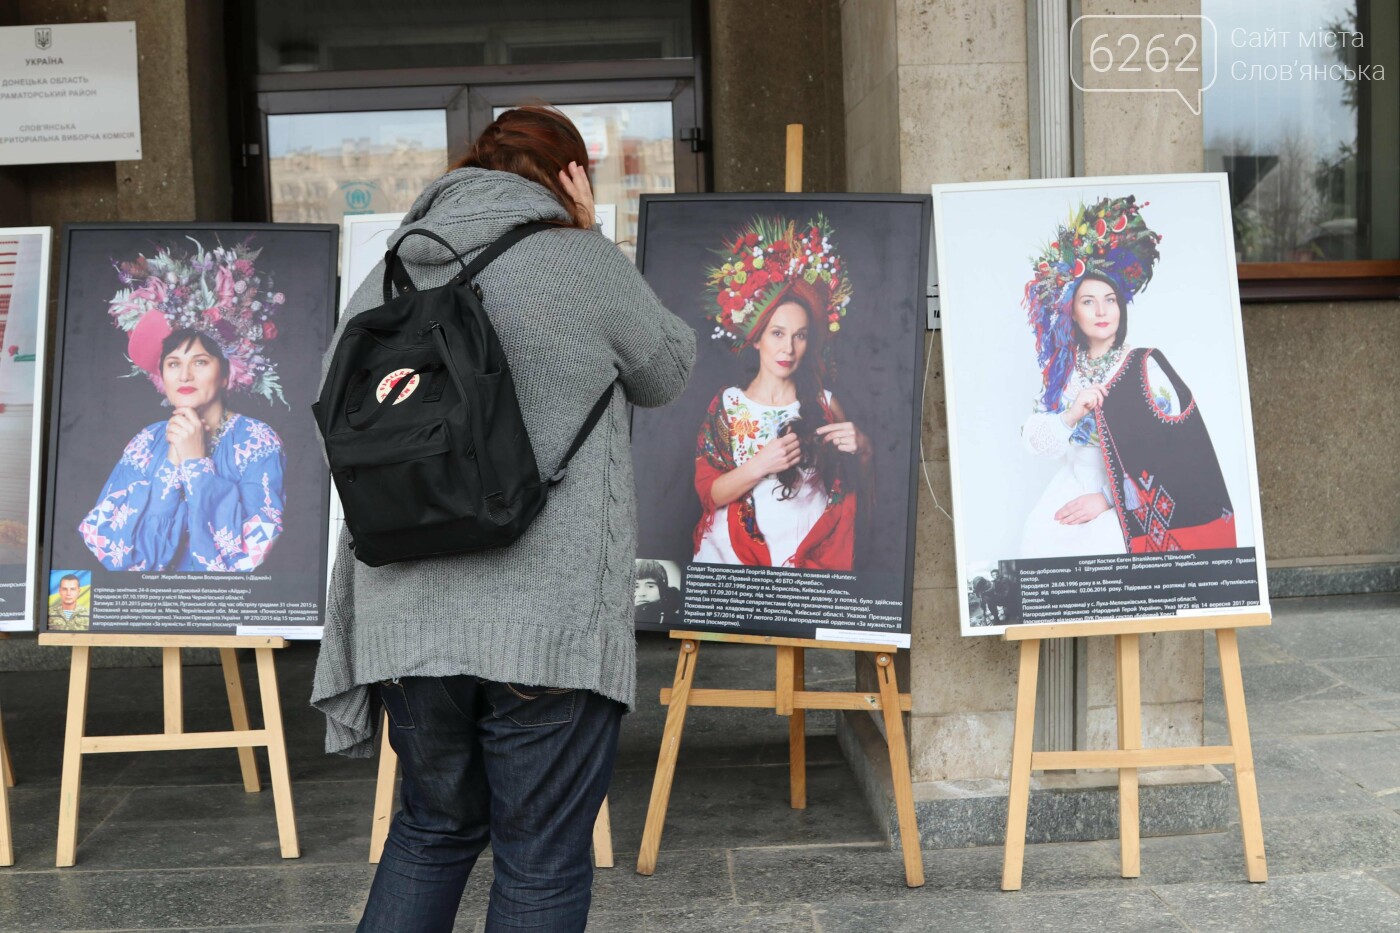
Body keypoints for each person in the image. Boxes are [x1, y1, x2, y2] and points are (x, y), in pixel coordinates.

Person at [310, 105, 695, 933]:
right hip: (544, 621)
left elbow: (340, 418)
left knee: (429, 830)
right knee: (541, 859)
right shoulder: (581, 261)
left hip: (406, 627)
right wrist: (591, 232)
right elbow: (667, 368)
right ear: (569, 176)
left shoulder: (387, 273)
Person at [1019, 195, 1236, 557]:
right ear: (1071, 311)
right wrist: (1072, 413)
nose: (1102, 310)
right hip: (1070, 488)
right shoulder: (1063, 373)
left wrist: (1107, 498)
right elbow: (1034, 444)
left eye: (1111, 300)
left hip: (1131, 499)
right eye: (1088, 301)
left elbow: (1175, 449)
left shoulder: (1144, 366)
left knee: (1107, 552)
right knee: (1037, 545)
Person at [82, 236, 289, 573]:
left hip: (224, 611)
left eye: (201, 362)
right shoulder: (146, 442)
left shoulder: (256, 441)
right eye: (174, 364)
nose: (186, 375)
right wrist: (170, 465)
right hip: (149, 610)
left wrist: (195, 464)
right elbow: (113, 548)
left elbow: (248, 554)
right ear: (161, 376)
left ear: (225, 374)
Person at [692, 216, 870, 570]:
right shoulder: (728, 406)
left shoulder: (826, 403)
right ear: (756, 338)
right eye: (777, 333)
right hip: (734, 558)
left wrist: (863, 447)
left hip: (808, 558)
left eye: (800, 335)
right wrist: (761, 465)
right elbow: (709, 493)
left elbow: (854, 486)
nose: (788, 347)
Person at [633, 559, 682, 627]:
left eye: (650, 586)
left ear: (662, 589)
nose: (641, 593)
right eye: (636, 586)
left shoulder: (676, 621)